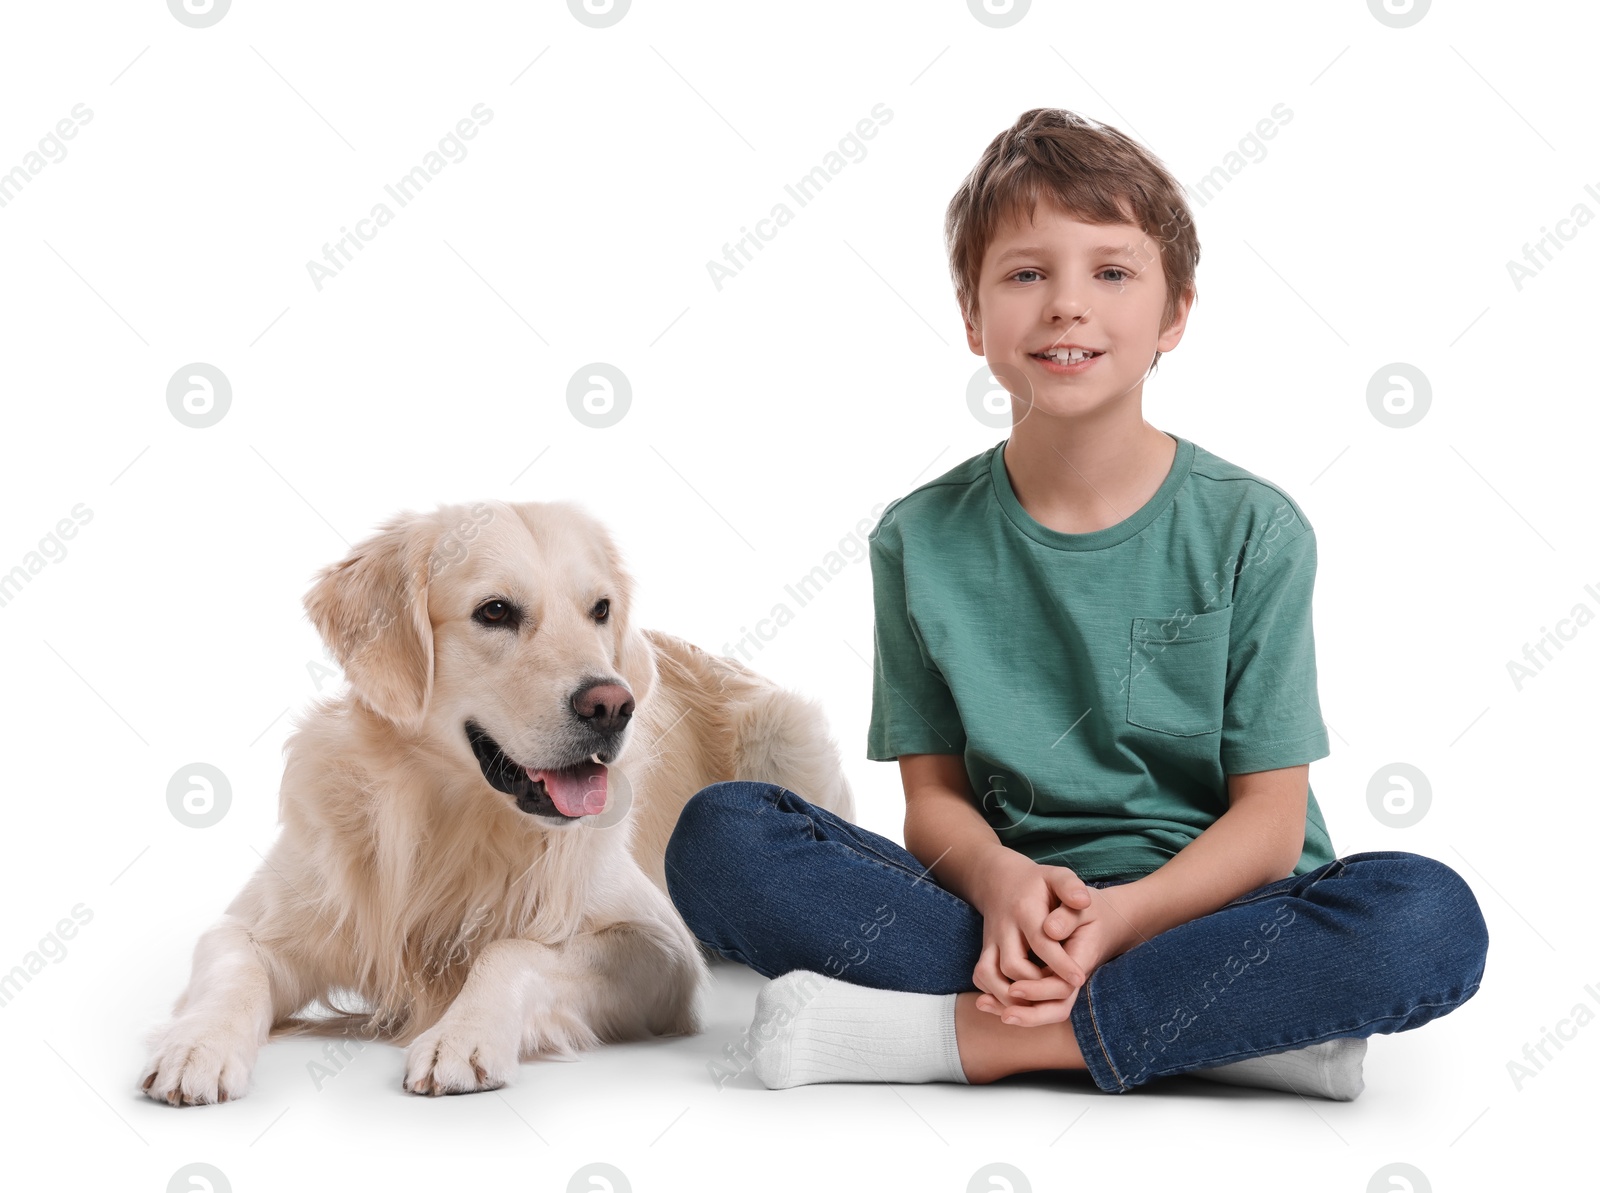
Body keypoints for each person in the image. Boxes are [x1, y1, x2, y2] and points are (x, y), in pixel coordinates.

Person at [663, 108, 1488, 1100]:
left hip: (1215, 914)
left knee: (1424, 916)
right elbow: (934, 798)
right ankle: (1235, 1031)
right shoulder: (916, 539)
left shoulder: (1255, 529)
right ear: (972, 316)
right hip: (998, 920)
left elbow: (1269, 821)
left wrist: (1126, 916)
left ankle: (967, 1038)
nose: (1065, 305)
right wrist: (1005, 882)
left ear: (1173, 312)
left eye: (1110, 271)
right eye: (1024, 274)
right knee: (723, 834)